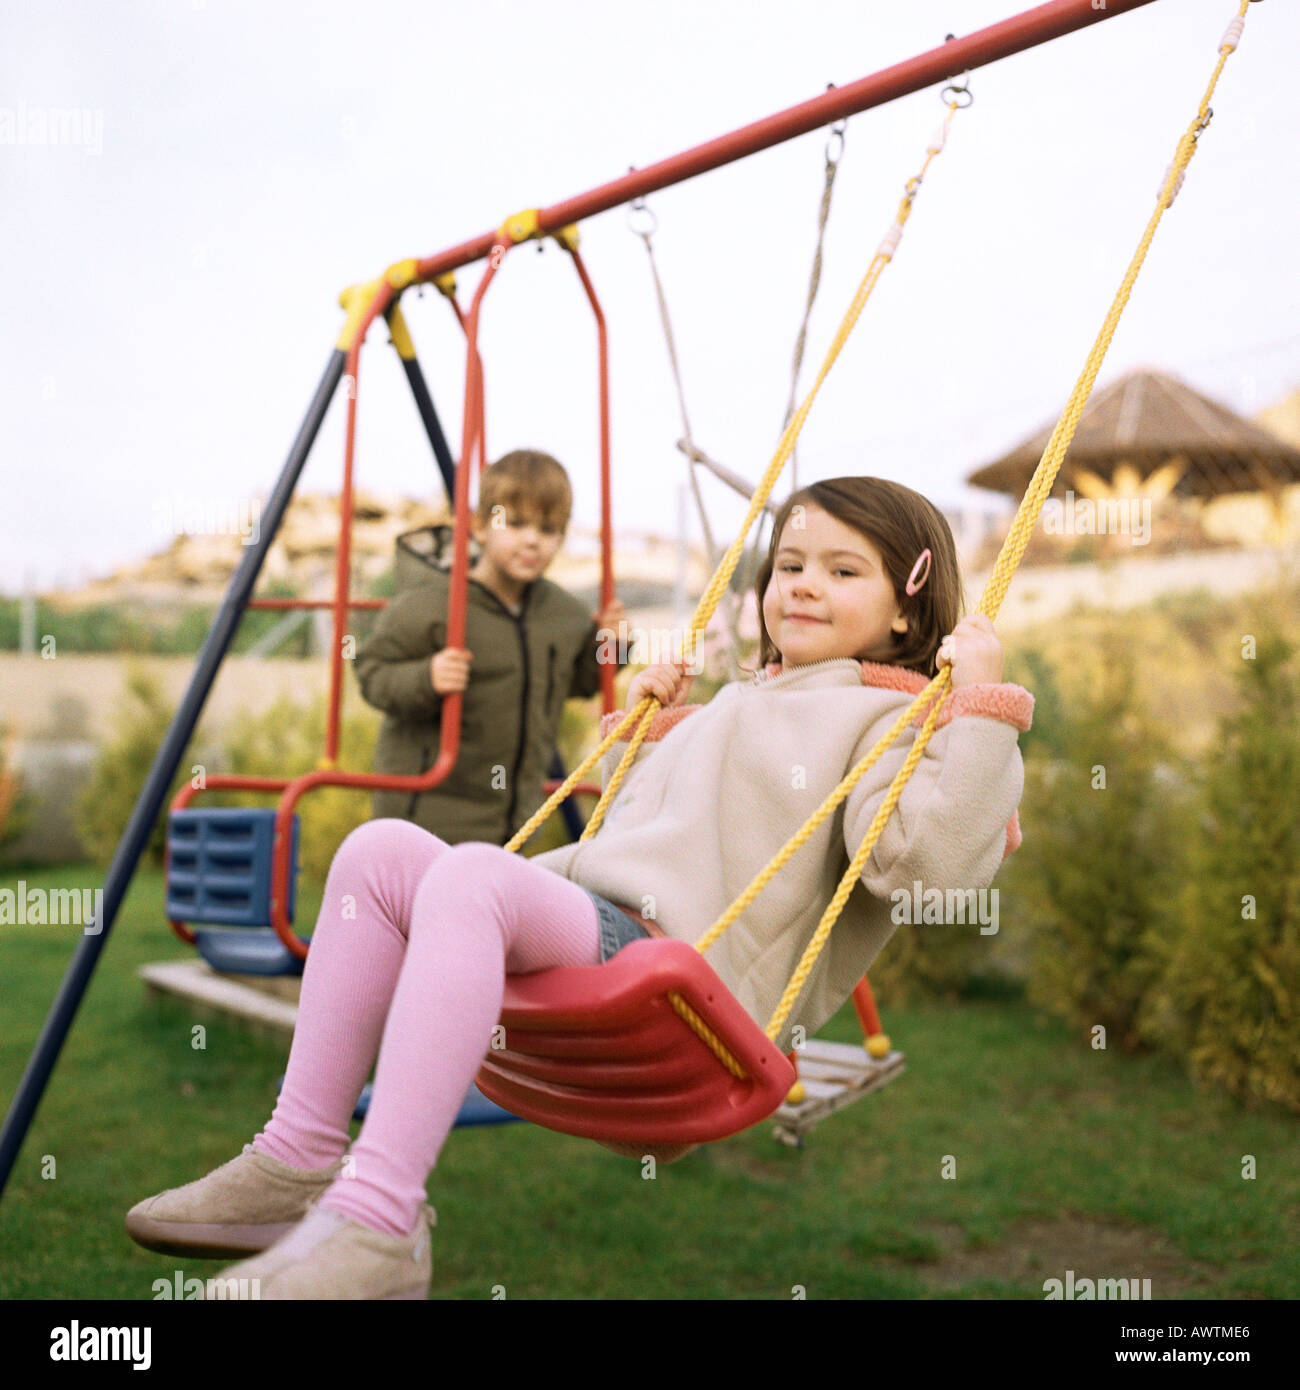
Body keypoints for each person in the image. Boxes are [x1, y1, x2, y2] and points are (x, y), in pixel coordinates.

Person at [125, 475, 1032, 1300]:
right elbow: (650, 834)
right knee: (378, 852)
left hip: (687, 985)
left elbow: (933, 872)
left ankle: (379, 1221)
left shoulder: (896, 722)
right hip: (609, 924)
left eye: (842, 571)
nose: (799, 584)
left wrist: (980, 716)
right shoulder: (744, 699)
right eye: (789, 564)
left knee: (474, 876)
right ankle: (299, 1155)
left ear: (911, 616)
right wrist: (650, 733)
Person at [354, 448, 626, 845]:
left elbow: (576, 680)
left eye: (548, 529)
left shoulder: (561, 613)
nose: (532, 540)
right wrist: (426, 677)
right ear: (480, 527)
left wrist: (611, 648)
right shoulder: (433, 604)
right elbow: (372, 670)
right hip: (428, 818)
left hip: (516, 822)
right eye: (515, 524)